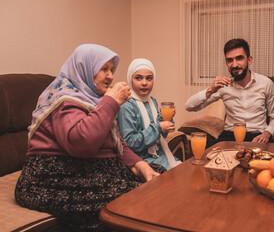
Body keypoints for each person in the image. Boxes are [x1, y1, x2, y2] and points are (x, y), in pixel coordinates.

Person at [14, 44, 165, 232]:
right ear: (84, 68)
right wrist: (112, 102)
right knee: (133, 196)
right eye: (104, 69)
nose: (110, 76)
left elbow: (117, 143)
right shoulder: (65, 100)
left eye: (111, 69)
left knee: (161, 175)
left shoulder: (95, 100)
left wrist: (142, 167)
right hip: (54, 174)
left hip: (93, 167)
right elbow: (81, 144)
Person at [185, 38, 274, 146]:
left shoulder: (266, 84)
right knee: (204, 158)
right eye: (229, 60)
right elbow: (189, 106)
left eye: (239, 58)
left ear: (249, 60)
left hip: (258, 135)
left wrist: (267, 134)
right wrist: (211, 90)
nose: (234, 65)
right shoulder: (223, 86)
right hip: (230, 136)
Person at [117, 58, 181, 170]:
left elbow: (159, 137)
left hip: (160, 155)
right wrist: (158, 128)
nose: (144, 83)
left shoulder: (152, 101)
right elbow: (129, 142)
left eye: (149, 78)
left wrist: (166, 121)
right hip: (140, 160)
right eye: (138, 78)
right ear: (130, 80)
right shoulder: (126, 105)